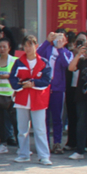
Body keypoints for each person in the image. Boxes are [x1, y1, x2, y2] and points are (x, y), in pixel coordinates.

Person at [10, 35, 52, 165]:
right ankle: (23, 154)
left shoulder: (44, 62)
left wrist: (33, 83)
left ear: (36, 46)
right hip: (22, 99)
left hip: (38, 100)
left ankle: (44, 156)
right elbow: (12, 78)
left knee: (40, 129)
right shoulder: (18, 62)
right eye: (25, 45)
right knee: (22, 130)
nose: (27, 48)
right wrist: (21, 85)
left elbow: (47, 80)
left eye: (30, 45)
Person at [37, 31, 70, 154]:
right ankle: (44, 142)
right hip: (44, 87)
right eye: (57, 38)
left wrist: (61, 49)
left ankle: (57, 142)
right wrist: (47, 41)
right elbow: (37, 55)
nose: (59, 40)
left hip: (58, 88)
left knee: (57, 118)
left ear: (66, 41)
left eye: (62, 38)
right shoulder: (47, 49)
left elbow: (66, 64)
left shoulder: (67, 52)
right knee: (43, 117)